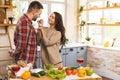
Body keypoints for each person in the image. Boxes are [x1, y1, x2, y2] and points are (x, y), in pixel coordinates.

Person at [13, 1, 43, 68]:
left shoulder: (27, 22)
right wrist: (14, 53)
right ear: (34, 11)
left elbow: (34, 41)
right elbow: (21, 45)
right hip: (25, 62)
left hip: (29, 61)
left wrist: (40, 27)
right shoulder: (25, 22)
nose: (39, 16)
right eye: (39, 13)